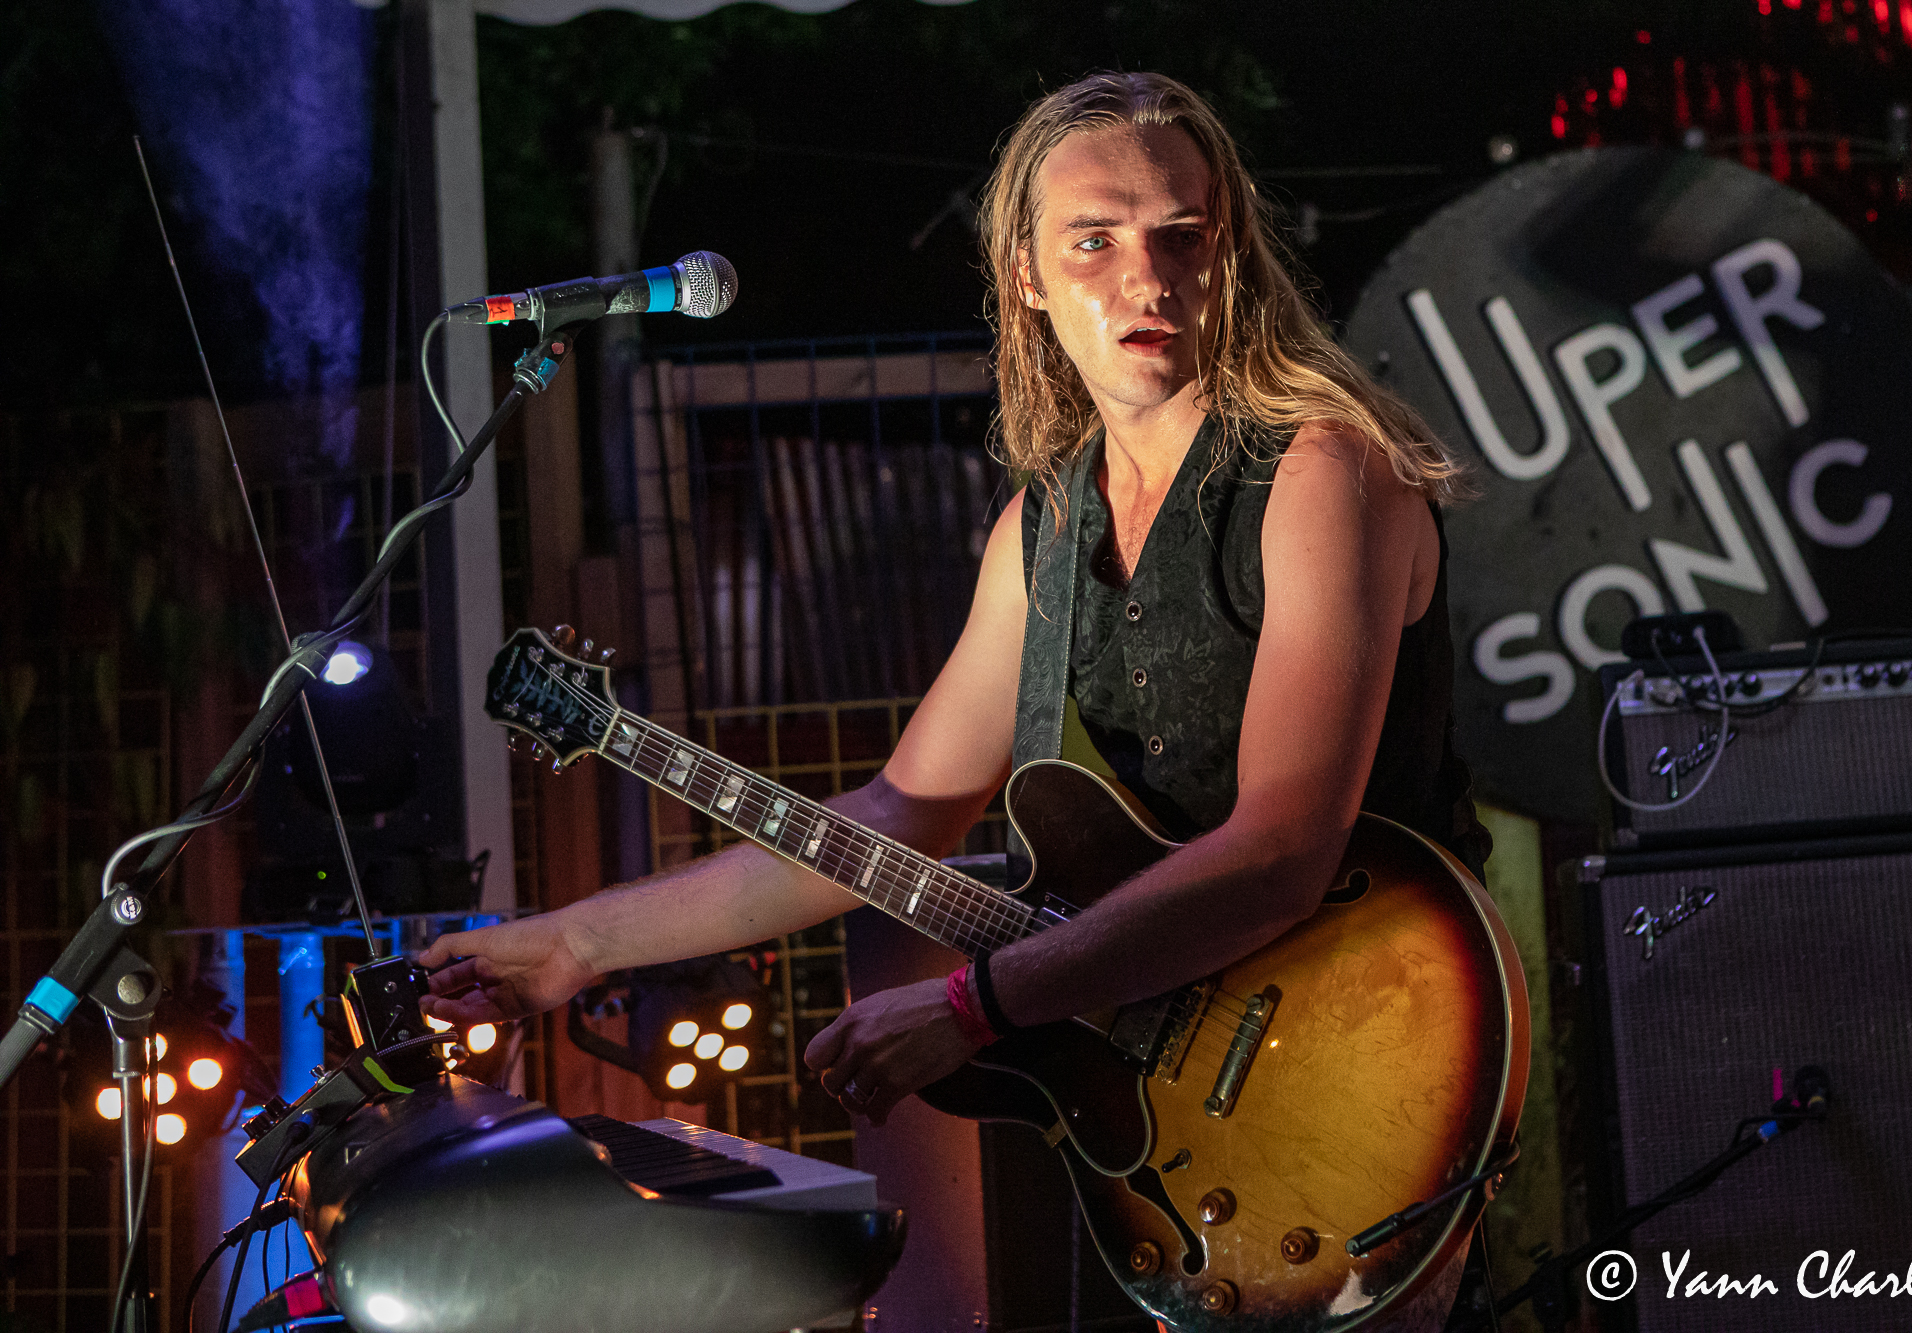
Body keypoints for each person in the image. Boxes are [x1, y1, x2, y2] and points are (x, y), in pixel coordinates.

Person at [422, 70, 1486, 1333]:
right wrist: (576, 944)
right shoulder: (1044, 530)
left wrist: (973, 1004)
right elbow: (896, 814)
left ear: (1230, 254)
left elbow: (1277, 855)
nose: (1146, 278)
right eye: (1094, 241)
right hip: (1181, 1124)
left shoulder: (1320, 471)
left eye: (1181, 236)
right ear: (1023, 274)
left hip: (1368, 1070)